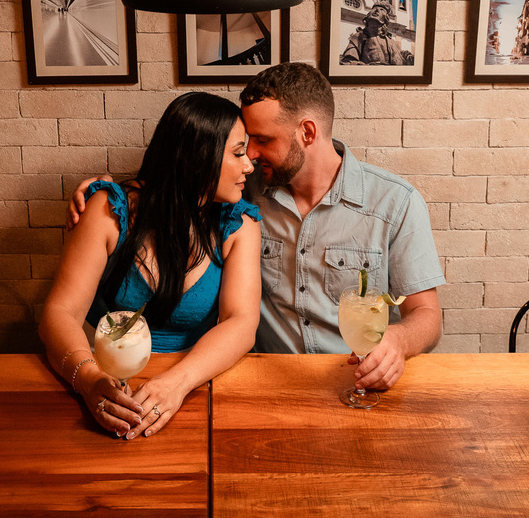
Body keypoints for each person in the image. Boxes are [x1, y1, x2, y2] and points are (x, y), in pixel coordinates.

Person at [69, 63, 443, 394]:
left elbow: (428, 316)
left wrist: (398, 340)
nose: (250, 156)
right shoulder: (240, 192)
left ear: (307, 133)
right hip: (263, 379)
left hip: (354, 376)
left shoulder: (395, 203)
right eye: (245, 145)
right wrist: (105, 193)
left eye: (263, 140)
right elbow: (180, 179)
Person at [40, 92, 261, 441]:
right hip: (102, 371)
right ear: (197, 157)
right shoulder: (110, 209)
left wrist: (177, 383)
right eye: (237, 153)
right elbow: (60, 312)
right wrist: (90, 380)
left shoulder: (239, 224)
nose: (249, 165)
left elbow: (242, 322)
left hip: (192, 378)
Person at [340, 2, 413, 66]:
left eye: (381, 10)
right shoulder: (359, 36)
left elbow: (402, 57)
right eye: (374, 9)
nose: (377, 11)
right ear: (368, 15)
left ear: (385, 19)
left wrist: (411, 58)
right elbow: (347, 61)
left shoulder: (392, 42)